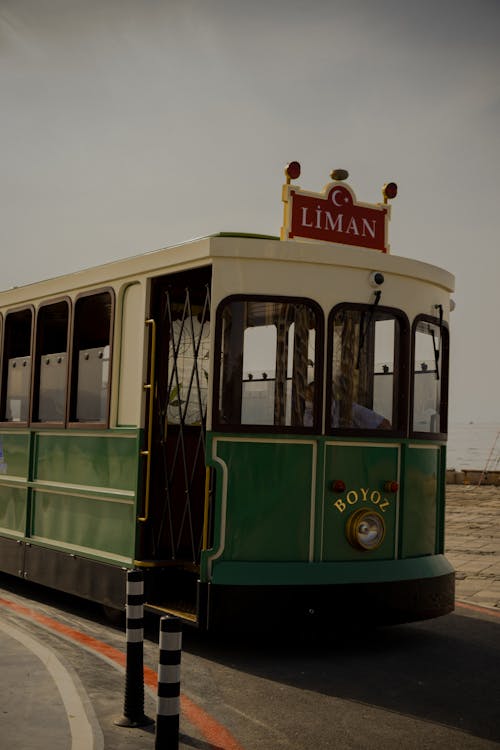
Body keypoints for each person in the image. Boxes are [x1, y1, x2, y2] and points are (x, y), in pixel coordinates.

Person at [303, 381, 391, 429]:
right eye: (307, 398)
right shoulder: (308, 414)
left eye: (311, 398)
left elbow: (384, 424)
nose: (308, 402)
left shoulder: (348, 408)